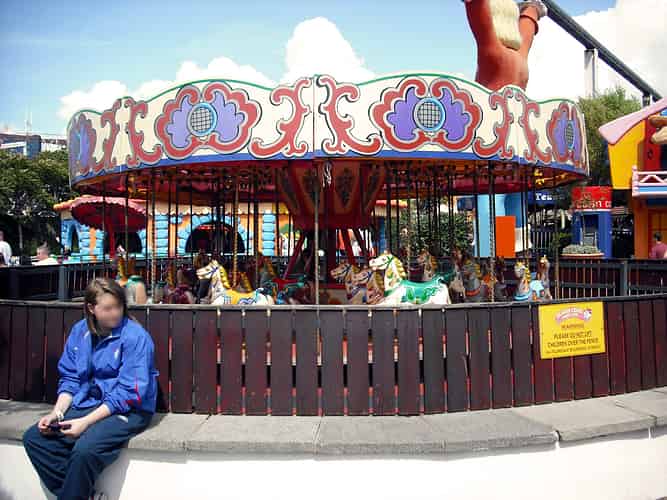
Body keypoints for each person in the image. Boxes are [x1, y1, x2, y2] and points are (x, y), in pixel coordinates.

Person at [23, 278, 158, 500]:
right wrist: (57, 413)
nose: (115, 313)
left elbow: (129, 393)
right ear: (91, 308)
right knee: (34, 439)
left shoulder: (136, 337)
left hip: (131, 409)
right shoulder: (80, 332)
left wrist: (85, 422)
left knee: (85, 450)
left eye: (118, 306)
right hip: (90, 402)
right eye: (108, 308)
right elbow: (70, 378)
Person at [464, 0, 547, 91]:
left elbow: (479, 12)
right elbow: (528, 25)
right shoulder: (521, 59)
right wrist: (533, 10)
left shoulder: (495, 53)